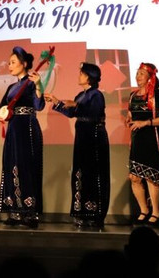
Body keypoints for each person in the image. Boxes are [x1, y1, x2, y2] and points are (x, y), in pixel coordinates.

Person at [45, 62, 110, 230]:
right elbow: (72, 113)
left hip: (95, 138)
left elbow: (93, 113)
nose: (78, 76)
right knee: (80, 173)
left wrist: (76, 105)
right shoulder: (81, 95)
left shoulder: (96, 95)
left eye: (81, 73)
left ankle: (95, 214)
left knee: (94, 174)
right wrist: (57, 102)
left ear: (89, 76)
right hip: (82, 138)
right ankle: (81, 212)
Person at [0, 45, 45, 228]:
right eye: (9, 62)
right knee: (11, 165)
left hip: (27, 127)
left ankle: (30, 213)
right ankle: (15, 210)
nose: (9, 65)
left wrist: (38, 85)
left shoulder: (31, 83)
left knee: (27, 166)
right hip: (13, 129)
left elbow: (39, 105)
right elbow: (1, 107)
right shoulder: (12, 87)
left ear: (25, 64)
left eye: (13, 62)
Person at [125, 62, 159, 227]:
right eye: (137, 73)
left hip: (152, 137)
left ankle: (156, 213)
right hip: (137, 139)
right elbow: (131, 115)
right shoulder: (133, 95)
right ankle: (143, 210)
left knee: (151, 177)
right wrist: (129, 120)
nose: (138, 77)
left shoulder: (158, 95)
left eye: (141, 74)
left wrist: (145, 123)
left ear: (150, 77)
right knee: (135, 177)